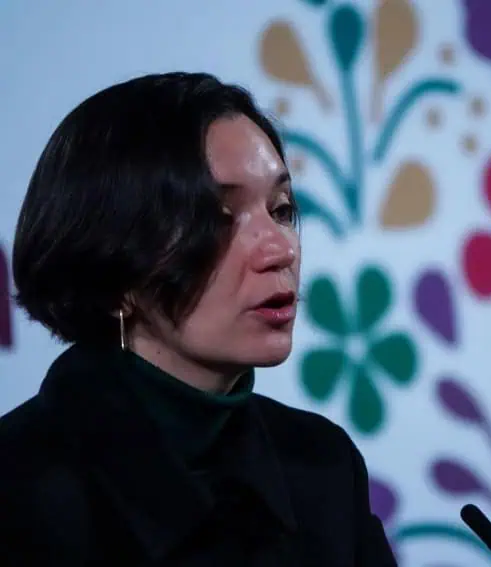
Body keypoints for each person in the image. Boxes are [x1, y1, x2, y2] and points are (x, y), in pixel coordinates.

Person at [0, 72, 397, 566]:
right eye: (218, 218)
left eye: (281, 208)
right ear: (114, 268)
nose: (279, 248)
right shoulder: (18, 486)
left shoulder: (323, 465)